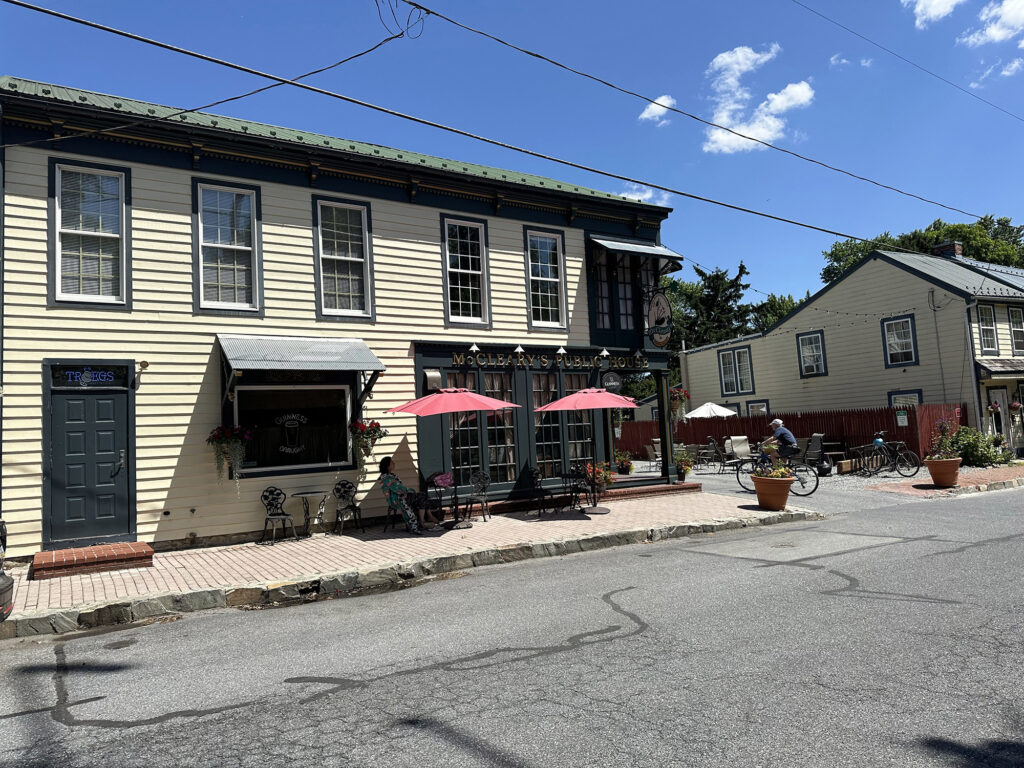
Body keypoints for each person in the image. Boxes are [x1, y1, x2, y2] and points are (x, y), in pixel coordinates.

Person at [379, 456, 441, 534]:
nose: (394, 463)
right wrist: (409, 491)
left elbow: (399, 487)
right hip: (397, 499)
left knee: (422, 496)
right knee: (422, 496)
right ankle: (424, 520)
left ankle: (425, 518)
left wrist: (409, 491)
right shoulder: (387, 478)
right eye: (392, 462)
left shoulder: (390, 476)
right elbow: (398, 489)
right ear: (388, 466)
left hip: (402, 496)